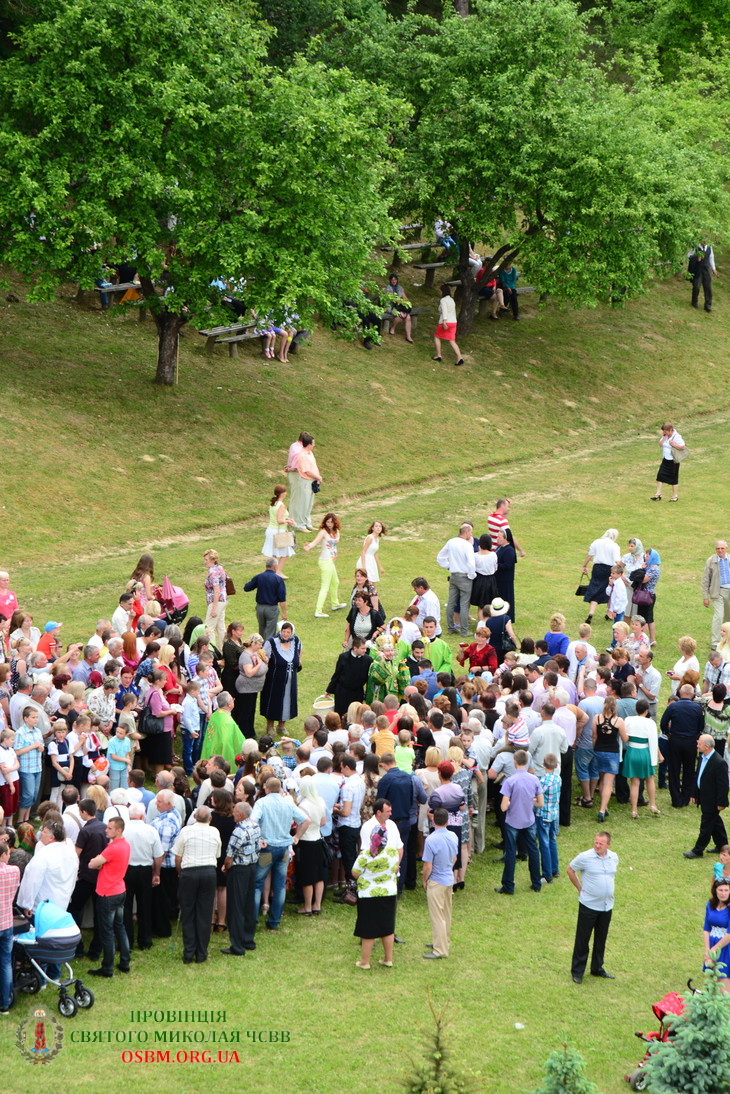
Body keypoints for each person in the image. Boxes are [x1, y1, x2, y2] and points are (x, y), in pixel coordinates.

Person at [251, 776, 309, 931]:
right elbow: (306, 820)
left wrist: (258, 839)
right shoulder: (288, 802)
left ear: (266, 789)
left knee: (258, 884)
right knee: (280, 885)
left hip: (267, 848)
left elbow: (253, 822)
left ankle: (253, 919)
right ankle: (275, 920)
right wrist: (297, 837)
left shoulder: (261, 803)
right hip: (283, 849)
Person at [351, 799, 403, 970]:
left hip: (368, 893)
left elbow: (355, 873)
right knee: (387, 927)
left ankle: (365, 961)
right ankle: (388, 959)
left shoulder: (366, 855)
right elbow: (396, 866)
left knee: (368, 928)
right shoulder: (392, 853)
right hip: (389, 891)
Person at [567, 830, 619, 984]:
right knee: (583, 939)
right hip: (589, 906)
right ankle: (577, 972)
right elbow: (570, 870)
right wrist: (579, 887)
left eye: (601, 843)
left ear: (608, 845)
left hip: (606, 906)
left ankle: (597, 968)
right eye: (596, 842)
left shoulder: (613, 857)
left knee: (601, 939)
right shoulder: (585, 857)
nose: (597, 845)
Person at [172, 804, 221, 964]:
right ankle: (201, 952)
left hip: (189, 872)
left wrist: (180, 872)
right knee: (204, 913)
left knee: (188, 912)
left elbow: (177, 857)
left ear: (194, 817)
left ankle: (189, 952)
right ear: (210, 818)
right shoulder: (214, 831)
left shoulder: (186, 831)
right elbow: (217, 854)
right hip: (208, 872)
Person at [494, 749, 543, 896]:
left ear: (514, 762)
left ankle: (508, 886)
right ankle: (536, 883)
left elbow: (503, 807)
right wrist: (530, 801)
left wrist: (511, 803)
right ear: (527, 762)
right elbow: (540, 803)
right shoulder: (534, 779)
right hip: (529, 820)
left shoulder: (510, 781)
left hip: (513, 821)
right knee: (533, 850)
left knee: (510, 852)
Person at [86, 815, 131, 978]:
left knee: (107, 932)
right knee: (120, 927)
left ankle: (107, 967)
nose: (106, 830)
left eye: (110, 828)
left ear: (118, 831)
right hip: (120, 890)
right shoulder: (125, 845)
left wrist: (99, 862)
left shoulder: (112, 848)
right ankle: (125, 962)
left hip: (107, 893)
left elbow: (92, 863)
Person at [220, 801, 261, 956]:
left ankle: (237, 946)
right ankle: (248, 940)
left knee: (236, 907)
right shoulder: (255, 825)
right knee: (248, 904)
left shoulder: (239, 831)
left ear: (241, 815)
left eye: (235, 811)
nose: (232, 813)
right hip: (252, 867)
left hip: (239, 870)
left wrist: (226, 868)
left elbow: (229, 856)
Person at [122, 802, 162, 951]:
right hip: (145, 870)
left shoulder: (123, 830)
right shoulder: (151, 830)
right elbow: (158, 855)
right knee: (145, 905)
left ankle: (126, 940)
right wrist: (156, 873)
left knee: (126, 906)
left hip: (126, 869)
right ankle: (145, 940)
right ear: (142, 816)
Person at [422, 806, 459, 960]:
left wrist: (424, 880)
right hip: (449, 878)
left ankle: (440, 950)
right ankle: (444, 941)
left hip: (436, 880)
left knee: (437, 916)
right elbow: (455, 857)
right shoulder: (453, 836)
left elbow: (428, 865)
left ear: (433, 820)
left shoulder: (431, 840)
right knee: (446, 913)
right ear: (447, 821)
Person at [684, 735, 729, 860]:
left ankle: (698, 850)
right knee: (715, 822)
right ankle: (722, 845)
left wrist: (722, 802)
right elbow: (698, 776)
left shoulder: (719, 762)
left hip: (712, 800)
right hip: (704, 797)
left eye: (699, 744)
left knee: (706, 824)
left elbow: (723, 785)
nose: (697, 746)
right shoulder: (702, 758)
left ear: (707, 746)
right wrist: (694, 793)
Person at [661, 684, 704, 809]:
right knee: (689, 770)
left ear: (680, 693)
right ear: (692, 694)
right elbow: (701, 726)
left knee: (674, 769)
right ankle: (685, 797)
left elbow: (663, 722)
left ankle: (676, 798)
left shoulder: (673, 706)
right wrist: (695, 735)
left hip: (675, 740)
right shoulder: (697, 708)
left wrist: (668, 733)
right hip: (690, 741)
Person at [622, 699, 661, 818]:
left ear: (635, 709)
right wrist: (656, 758)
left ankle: (634, 810)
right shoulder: (650, 723)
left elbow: (624, 736)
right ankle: (653, 804)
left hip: (631, 751)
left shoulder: (628, 720)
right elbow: (653, 741)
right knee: (650, 778)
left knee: (634, 782)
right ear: (647, 710)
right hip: (644, 752)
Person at [259, 623, 301, 734]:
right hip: (274, 680)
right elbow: (264, 657)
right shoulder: (272, 642)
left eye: (288, 632)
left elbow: (299, 652)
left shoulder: (296, 640)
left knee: (287, 701)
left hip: (290, 680)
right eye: (284, 631)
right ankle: (270, 726)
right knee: (273, 701)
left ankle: (281, 726)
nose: (285, 634)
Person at [294, 775, 326, 915]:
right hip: (317, 839)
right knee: (318, 875)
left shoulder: (303, 805)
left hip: (305, 842)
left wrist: (297, 835)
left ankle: (307, 907)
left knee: (307, 876)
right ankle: (317, 905)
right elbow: (323, 822)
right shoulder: (320, 801)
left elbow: (301, 824)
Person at [304, 513, 346, 619]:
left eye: (331, 522)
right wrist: (309, 546)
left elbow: (334, 544)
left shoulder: (336, 532)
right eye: (327, 522)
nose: (329, 524)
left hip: (331, 562)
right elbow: (315, 541)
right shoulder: (323, 532)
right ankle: (318, 611)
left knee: (335, 582)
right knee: (325, 587)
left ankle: (335, 603)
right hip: (325, 561)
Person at [437, 523, 476, 636]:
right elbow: (471, 563)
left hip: (454, 575)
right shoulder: (467, 545)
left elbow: (440, 557)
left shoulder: (451, 542)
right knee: (464, 604)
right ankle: (464, 630)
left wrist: (449, 566)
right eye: (471, 532)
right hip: (464, 576)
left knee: (451, 603)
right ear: (467, 532)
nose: (471, 534)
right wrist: (471, 575)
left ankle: (451, 627)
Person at [581, 529, 620, 624]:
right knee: (611, 590)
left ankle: (591, 613)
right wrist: (621, 572)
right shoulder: (614, 546)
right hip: (610, 569)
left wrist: (584, 566)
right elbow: (617, 561)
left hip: (597, 568)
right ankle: (609, 613)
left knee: (595, 588)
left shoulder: (596, 542)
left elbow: (590, 555)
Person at [243, 559, 287, 641]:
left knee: (261, 631)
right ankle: (267, 648)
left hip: (260, 608)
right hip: (272, 609)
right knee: (270, 632)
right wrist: (284, 613)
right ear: (275, 566)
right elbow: (282, 598)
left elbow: (247, 588)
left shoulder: (259, 577)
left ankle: (260, 647)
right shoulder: (278, 579)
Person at [326, 637, 371, 716]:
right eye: (362, 648)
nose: (365, 650)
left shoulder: (368, 660)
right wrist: (329, 690)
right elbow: (337, 674)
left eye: (366, 648)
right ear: (355, 648)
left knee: (356, 715)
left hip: (357, 693)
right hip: (342, 692)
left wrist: (366, 696)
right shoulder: (343, 657)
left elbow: (369, 680)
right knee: (341, 715)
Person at [0, 840, 20, 1014]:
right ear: (3, 855)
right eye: (8, 853)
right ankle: (5, 1002)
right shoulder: (14, 871)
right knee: (6, 962)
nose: (10, 856)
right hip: (6, 923)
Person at [288, 434, 322, 534]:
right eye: (313, 443)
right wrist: (318, 477)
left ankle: (307, 523)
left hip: (312, 480)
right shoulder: (302, 455)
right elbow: (306, 471)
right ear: (309, 444)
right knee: (303, 503)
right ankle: (300, 525)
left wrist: (317, 477)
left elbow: (313, 467)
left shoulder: (310, 453)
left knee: (309, 503)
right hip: (305, 481)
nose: (314, 445)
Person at [262, 485, 295, 578]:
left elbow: (278, 517)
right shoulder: (281, 505)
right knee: (285, 553)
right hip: (278, 531)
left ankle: (272, 572)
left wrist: (287, 519)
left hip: (271, 530)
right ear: (283, 494)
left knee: (274, 553)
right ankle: (278, 571)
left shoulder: (274, 504)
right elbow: (279, 520)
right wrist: (288, 521)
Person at [702, 541, 730, 650]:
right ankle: (715, 642)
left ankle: (727, 639)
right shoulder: (711, 561)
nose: (720, 550)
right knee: (718, 616)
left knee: (728, 617)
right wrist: (705, 597)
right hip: (717, 592)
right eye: (718, 548)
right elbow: (705, 579)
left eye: (722, 548)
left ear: (726, 548)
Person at [703, 879, 730, 990]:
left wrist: (713, 950)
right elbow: (706, 929)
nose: (723, 893)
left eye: (726, 890)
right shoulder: (710, 905)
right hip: (712, 945)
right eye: (720, 890)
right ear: (715, 891)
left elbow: (729, 934)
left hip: (726, 948)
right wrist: (707, 950)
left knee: (724, 988)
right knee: (713, 985)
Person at [650, 421, 685, 502]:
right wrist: (663, 437)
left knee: (673, 479)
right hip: (665, 459)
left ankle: (675, 496)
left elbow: (682, 447)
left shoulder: (676, 437)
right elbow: (660, 444)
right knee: (660, 476)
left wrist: (673, 444)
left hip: (673, 461)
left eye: (665, 431)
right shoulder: (665, 436)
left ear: (670, 430)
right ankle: (658, 494)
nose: (664, 433)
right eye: (663, 431)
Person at [202, 549, 228, 651]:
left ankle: (212, 650)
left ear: (213, 560)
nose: (205, 562)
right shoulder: (220, 568)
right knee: (221, 627)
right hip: (223, 600)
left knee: (209, 628)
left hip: (216, 601)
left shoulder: (212, 572)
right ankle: (224, 649)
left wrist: (214, 608)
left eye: (206, 560)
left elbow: (216, 590)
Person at [432, 285, 463, 366]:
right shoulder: (451, 300)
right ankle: (459, 357)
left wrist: (444, 321)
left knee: (436, 336)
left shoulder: (443, 300)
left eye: (440, 290)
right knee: (452, 340)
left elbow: (444, 311)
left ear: (443, 291)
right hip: (453, 322)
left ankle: (438, 355)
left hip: (446, 322)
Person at [689, 239, 718, 313]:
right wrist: (696, 257)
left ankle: (708, 305)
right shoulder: (696, 247)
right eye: (703, 241)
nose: (704, 243)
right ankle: (694, 302)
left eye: (706, 241)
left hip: (706, 270)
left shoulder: (709, 248)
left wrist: (714, 269)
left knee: (708, 287)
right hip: (698, 270)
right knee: (696, 286)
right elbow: (688, 256)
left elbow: (711, 258)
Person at [385, 274, 413, 342]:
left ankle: (408, 336)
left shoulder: (400, 287)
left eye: (395, 279)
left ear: (397, 280)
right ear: (390, 280)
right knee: (402, 315)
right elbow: (392, 298)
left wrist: (408, 303)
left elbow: (405, 297)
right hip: (391, 306)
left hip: (399, 306)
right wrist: (401, 302)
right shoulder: (388, 288)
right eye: (392, 280)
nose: (394, 281)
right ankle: (393, 328)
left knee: (408, 317)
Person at [358, 521, 386, 586]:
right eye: (376, 526)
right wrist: (363, 567)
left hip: (371, 562)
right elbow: (363, 552)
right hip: (365, 561)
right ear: (373, 528)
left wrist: (380, 567)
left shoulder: (377, 539)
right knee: (367, 583)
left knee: (373, 584)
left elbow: (375, 554)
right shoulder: (370, 538)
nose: (378, 528)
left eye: (380, 526)